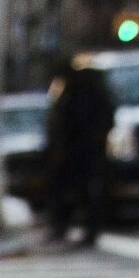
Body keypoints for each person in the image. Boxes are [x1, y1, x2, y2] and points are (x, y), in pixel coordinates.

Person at [46, 53, 116, 245]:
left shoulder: (76, 90)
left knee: (79, 190)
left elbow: (65, 121)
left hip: (80, 150)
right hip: (86, 149)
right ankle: (77, 228)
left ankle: (69, 227)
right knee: (84, 190)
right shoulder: (86, 89)